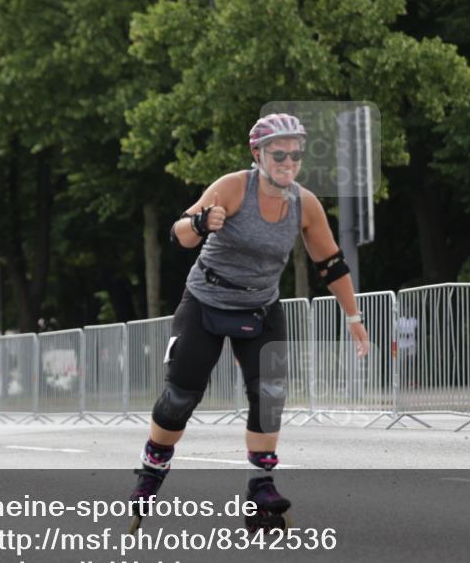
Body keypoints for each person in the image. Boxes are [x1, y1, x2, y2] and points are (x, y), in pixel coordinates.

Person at [129, 113, 369, 529]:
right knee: (180, 398)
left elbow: (331, 264)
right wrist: (201, 222)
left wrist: (354, 317)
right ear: (258, 154)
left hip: (260, 306)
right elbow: (179, 233)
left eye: (296, 155)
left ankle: (261, 487)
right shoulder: (233, 186)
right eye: (279, 155)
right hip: (206, 302)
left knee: (270, 393)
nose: (288, 163)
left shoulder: (305, 204)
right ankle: (152, 469)